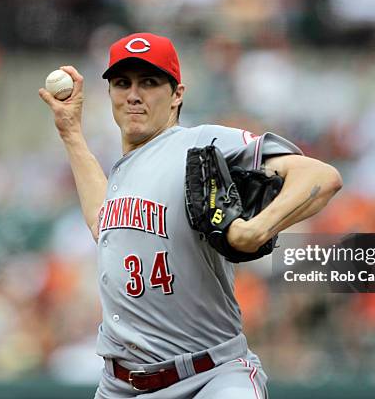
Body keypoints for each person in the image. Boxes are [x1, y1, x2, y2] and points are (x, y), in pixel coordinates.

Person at [39, 32, 342, 399]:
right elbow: (101, 224)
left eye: (149, 82)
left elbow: (321, 176)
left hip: (210, 377)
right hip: (121, 386)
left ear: (177, 94)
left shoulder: (200, 143)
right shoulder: (122, 171)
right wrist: (71, 134)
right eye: (122, 83)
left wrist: (255, 230)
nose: (133, 94)